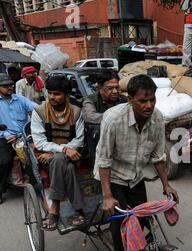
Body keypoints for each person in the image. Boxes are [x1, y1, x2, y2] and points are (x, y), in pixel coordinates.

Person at [95, 74, 179, 251]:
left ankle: (139, 248)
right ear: (130, 99)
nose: (149, 105)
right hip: (112, 177)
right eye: (143, 101)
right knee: (120, 226)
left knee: (142, 218)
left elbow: (158, 156)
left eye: (152, 99)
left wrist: (166, 185)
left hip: (136, 177)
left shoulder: (158, 119)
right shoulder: (113, 119)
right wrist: (106, 196)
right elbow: (103, 159)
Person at [31, 75, 86, 230]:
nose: (52, 97)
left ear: (67, 95)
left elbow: (79, 140)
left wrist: (63, 152)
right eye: (50, 93)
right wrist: (64, 150)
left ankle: (54, 209)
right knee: (61, 162)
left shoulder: (76, 112)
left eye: (57, 94)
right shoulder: (39, 111)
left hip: (66, 157)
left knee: (61, 162)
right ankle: (78, 210)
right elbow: (40, 142)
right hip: (46, 157)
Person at [0, 73, 36, 204]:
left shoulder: (20, 99)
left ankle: (35, 183)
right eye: (5, 86)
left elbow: (37, 108)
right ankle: (1, 190)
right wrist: (5, 134)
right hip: (6, 137)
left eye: (10, 85)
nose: (9, 87)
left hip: (24, 136)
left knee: (36, 156)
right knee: (4, 161)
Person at [81, 70, 127, 166]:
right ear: (100, 88)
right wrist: (116, 117)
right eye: (110, 88)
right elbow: (90, 117)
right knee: (97, 128)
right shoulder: (90, 100)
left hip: (121, 139)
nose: (115, 91)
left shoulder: (123, 100)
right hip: (98, 142)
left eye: (116, 87)